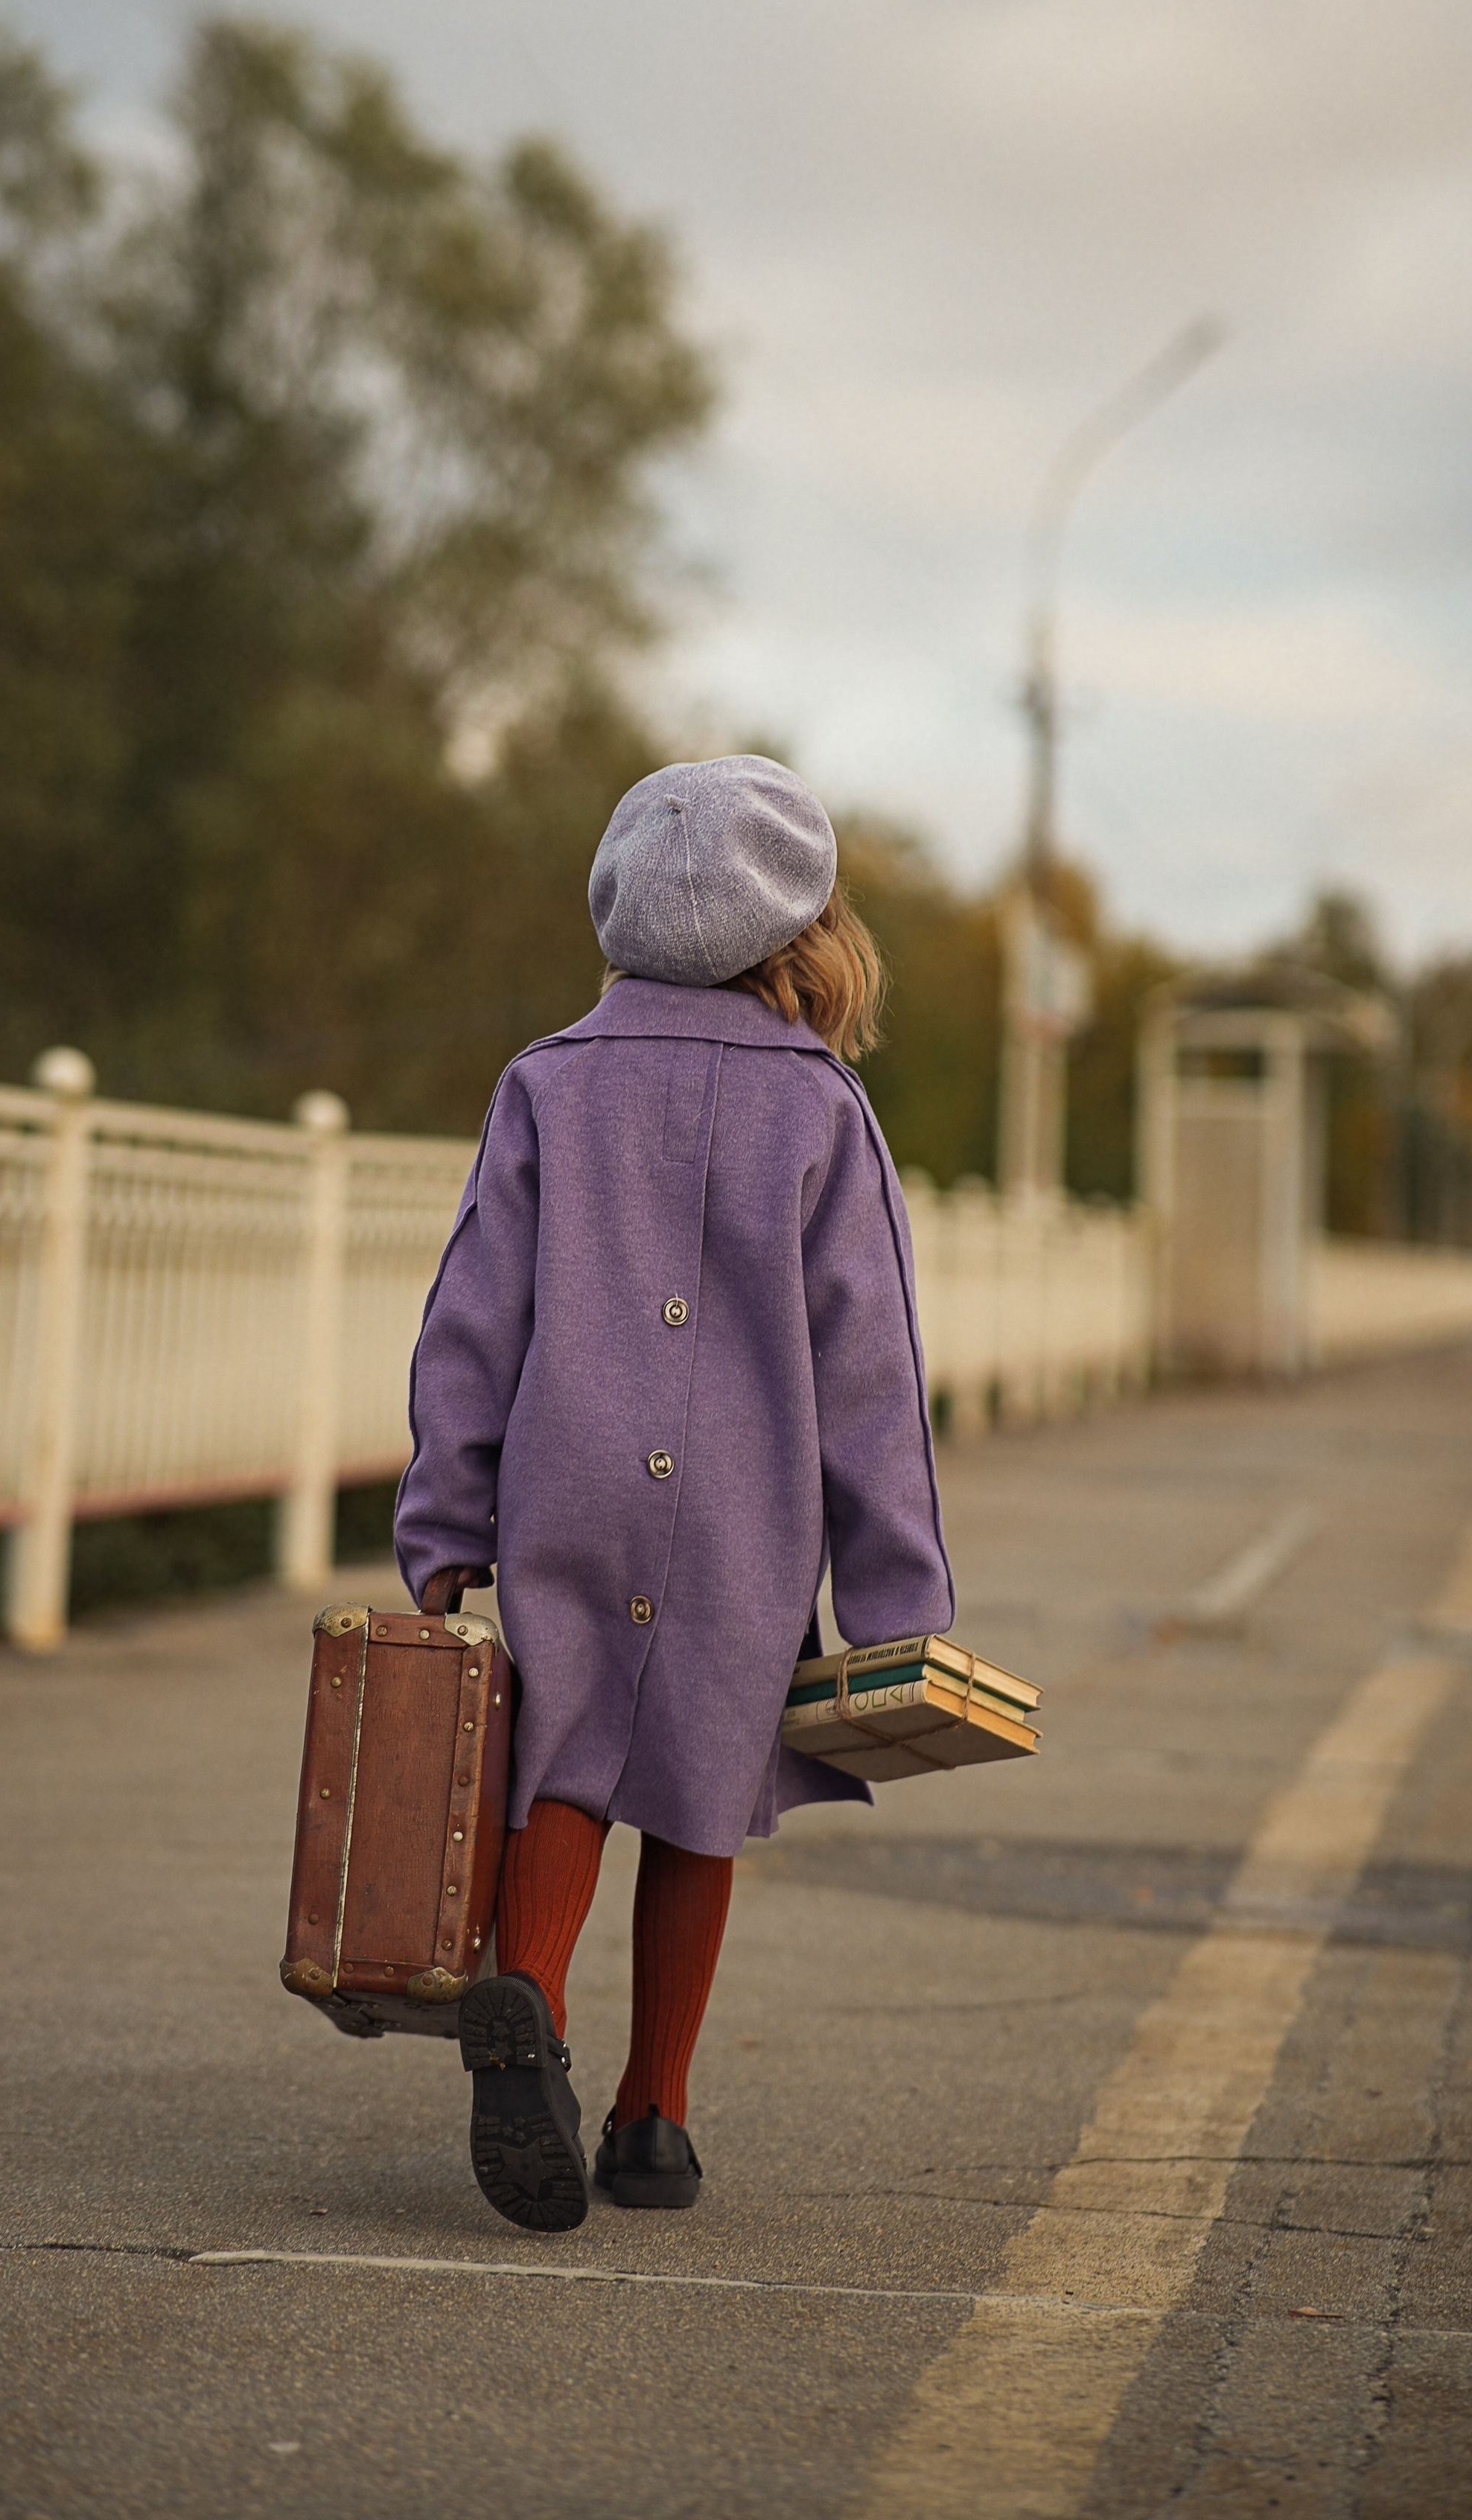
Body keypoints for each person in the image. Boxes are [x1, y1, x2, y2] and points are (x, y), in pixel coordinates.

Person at [394, 755, 955, 2231]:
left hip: (564, 1482)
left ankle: (525, 2000)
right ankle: (652, 2117)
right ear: (806, 933)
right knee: (703, 1789)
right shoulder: (821, 1112)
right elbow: (870, 1376)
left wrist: (447, 1520)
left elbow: (472, 1318)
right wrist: (899, 1608)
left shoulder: (545, 1085)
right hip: (741, 1507)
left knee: (563, 1760)